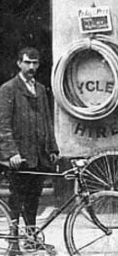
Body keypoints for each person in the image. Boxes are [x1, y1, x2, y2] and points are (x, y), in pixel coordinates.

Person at [0, 47, 59, 253]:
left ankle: (31, 238)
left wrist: (52, 148)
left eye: (35, 63)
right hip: (19, 157)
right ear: (19, 63)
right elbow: (3, 125)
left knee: (34, 198)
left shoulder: (41, 90)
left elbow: (46, 120)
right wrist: (11, 153)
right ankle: (13, 242)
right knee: (16, 199)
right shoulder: (8, 89)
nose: (32, 67)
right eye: (27, 62)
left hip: (38, 156)